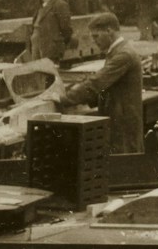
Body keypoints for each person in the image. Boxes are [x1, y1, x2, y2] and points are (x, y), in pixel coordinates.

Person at [55, 12, 144, 154]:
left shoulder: (123, 54)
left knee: (123, 165)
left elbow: (97, 82)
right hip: (119, 119)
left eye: (96, 36)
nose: (94, 41)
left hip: (122, 125)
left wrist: (64, 99)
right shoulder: (117, 51)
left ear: (109, 31)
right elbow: (105, 86)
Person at [25, 0, 74, 64]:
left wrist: (58, 44)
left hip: (50, 49)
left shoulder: (60, 5)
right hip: (37, 48)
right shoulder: (40, 4)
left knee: (48, 75)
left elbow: (66, 29)